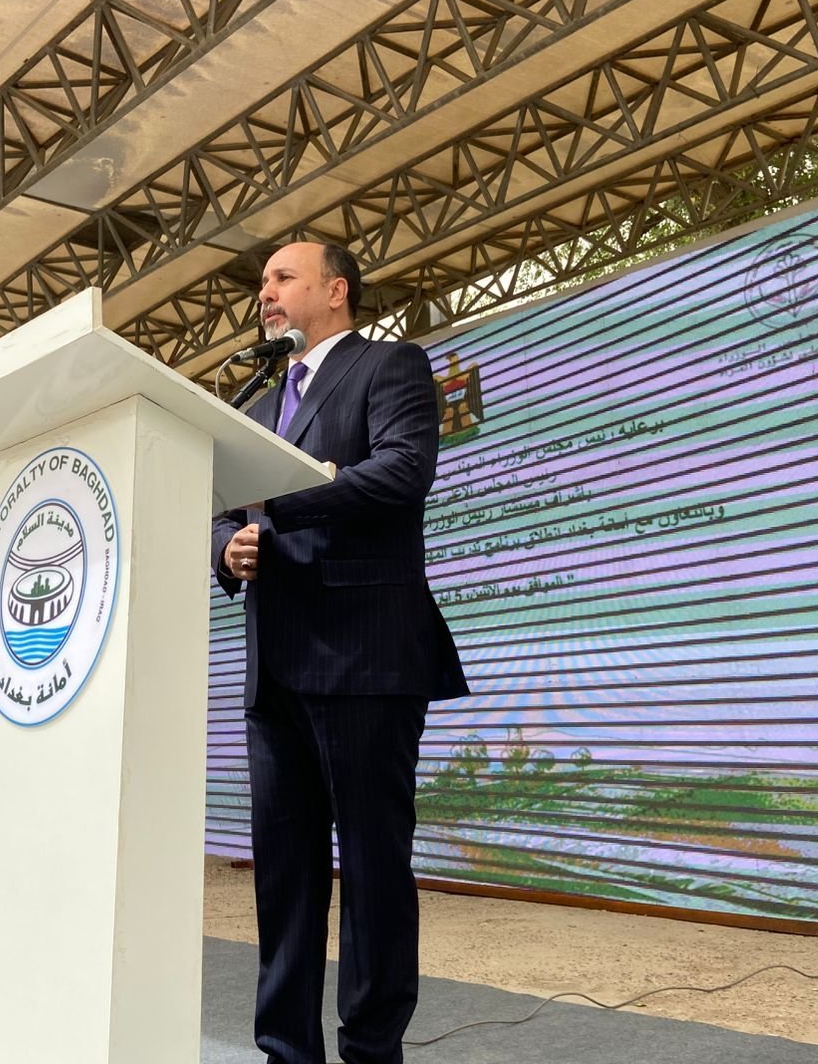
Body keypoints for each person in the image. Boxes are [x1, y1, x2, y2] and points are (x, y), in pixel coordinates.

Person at [212, 241, 469, 1064]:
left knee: (371, 872)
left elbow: (403, 471)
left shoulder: (390, 366)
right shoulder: (258, 406)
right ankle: (286, 1053)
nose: (266, 293)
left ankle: (370, 1051)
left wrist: (282, 501)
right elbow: (226, 509)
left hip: (364, 658)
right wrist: (226, 550)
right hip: (275, 670)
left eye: (283, 278)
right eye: (262, 283)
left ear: (336, 291)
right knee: (283, 882)